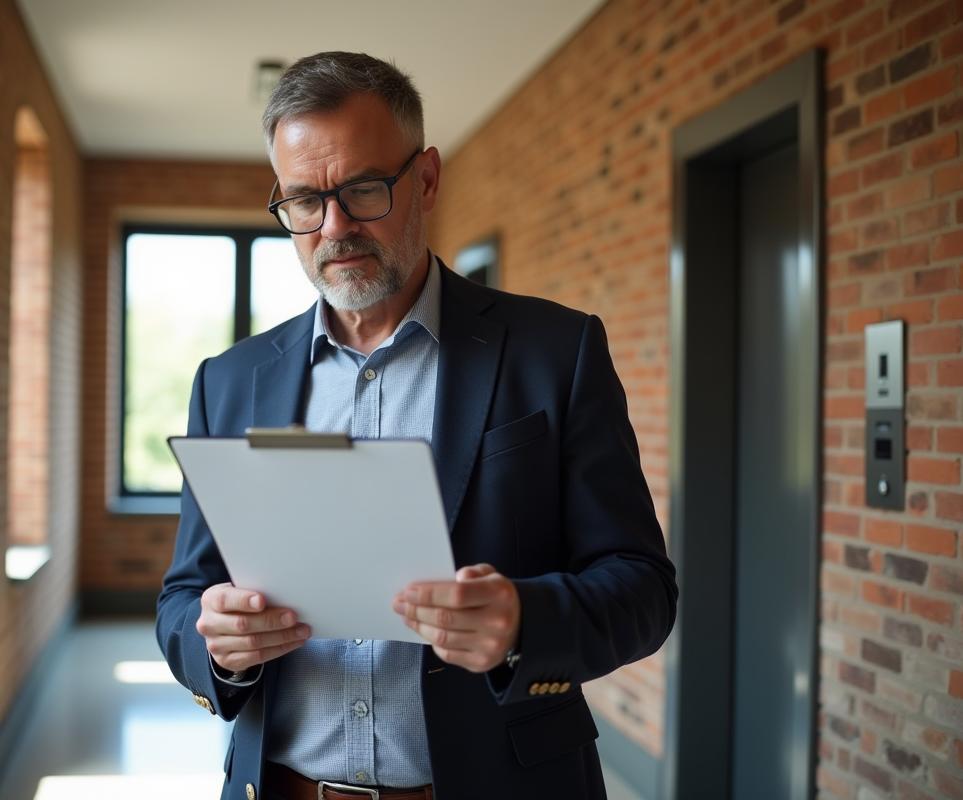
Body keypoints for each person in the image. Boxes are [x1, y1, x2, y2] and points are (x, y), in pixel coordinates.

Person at [157, 51, 677, 800]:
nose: (333, 227)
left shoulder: (557, 353)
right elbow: (183, 597)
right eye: (304, 200)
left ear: (426, 178)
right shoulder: (229, 381)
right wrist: (221, 647)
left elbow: (643, 590)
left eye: (363, 189)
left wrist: (526, 620)